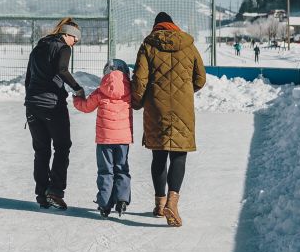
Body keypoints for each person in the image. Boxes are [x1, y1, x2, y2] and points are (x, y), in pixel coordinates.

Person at [131, 12, 206, 227]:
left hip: (157, 108)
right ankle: (173, 201)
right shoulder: (188, 45)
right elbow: (200, 78)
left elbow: (140, 80)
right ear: (173, 26)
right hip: (183, 109)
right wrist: (185, 90)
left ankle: (159, 203)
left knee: (159, 155)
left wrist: (137, 102)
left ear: (156, 27)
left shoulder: (148, 45)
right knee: (179, 156)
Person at [24, 17, 85, 210]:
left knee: (41, 151)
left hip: (32, 106)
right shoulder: (62, 48)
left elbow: (28, 78)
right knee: (62, 146)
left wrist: (32, 99)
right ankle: (55, 192)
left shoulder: (38, 48)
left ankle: (42, 194)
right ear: (67, 35)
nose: (75, 43)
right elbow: (62, 70)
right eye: (75, 39)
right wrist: (77, 88)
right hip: (53, 106)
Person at [73, 59, 133, 218]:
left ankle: (105, 204)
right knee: (122, 168)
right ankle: (121, 199)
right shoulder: (130, 90)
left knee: (106, 170)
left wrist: (77, 98)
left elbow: (85, 107)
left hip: (104, 139)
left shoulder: (101, 90)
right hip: (123, 139)